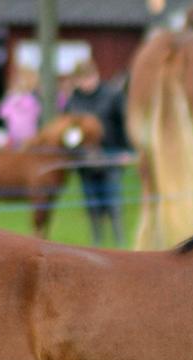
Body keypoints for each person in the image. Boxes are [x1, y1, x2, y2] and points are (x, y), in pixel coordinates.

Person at [64, 59, 127, 246]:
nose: (86, 82)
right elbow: (69, 131)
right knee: (92, 207)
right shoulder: (73, 101)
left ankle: (120, 244)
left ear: (96, 75)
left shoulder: (112, 95)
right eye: (82, 79)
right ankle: (97, 244)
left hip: (110, 158)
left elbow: (123, 124)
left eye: (89, 77)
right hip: (84, 163)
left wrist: (125, 150)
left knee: (113, 205)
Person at [0, 66, 42, 147]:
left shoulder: (31, 99)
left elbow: (36, 113)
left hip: (29, 137)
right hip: (14, 137)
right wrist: (12, 100)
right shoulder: (11, 98)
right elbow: (1, 113)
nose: (20, 82)